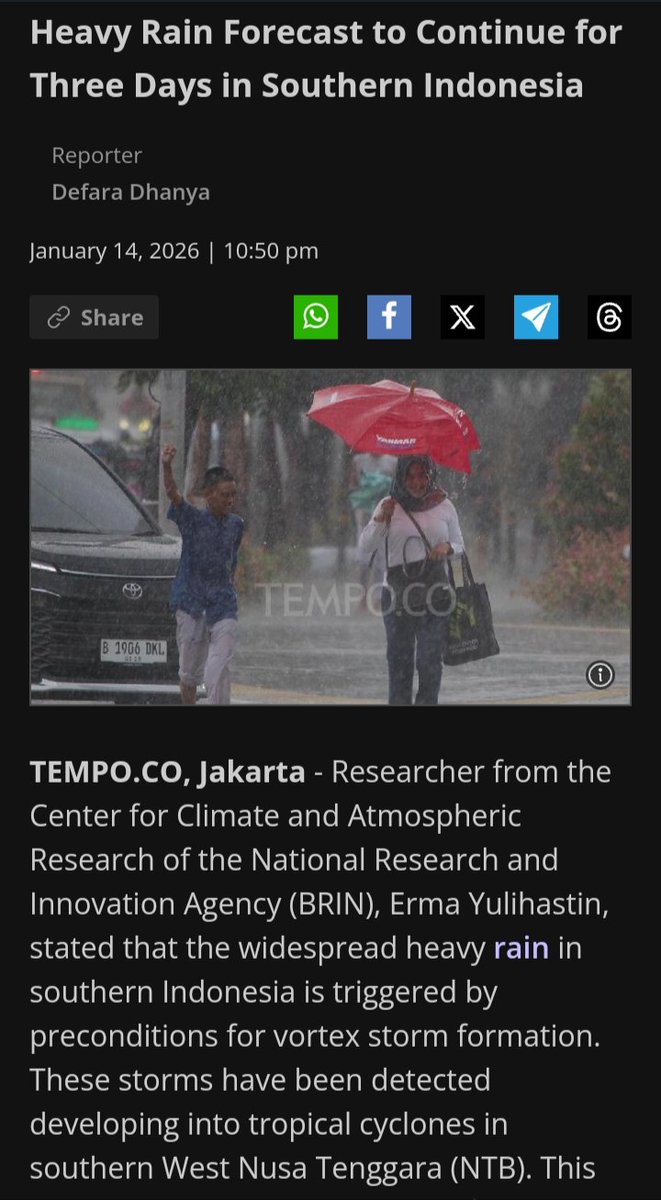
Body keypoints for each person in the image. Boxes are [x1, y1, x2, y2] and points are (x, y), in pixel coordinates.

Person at [358, 455, 464, 705]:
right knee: (400, 664)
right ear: (401, 477)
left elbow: (461, 545)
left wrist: (447, 548)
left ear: (431, 475)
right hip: (397, 597)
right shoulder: (389, 505)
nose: (417, 482)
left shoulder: (444, 504)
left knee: (429, 662)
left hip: (435, 596)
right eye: (410, 476)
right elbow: (365, 547)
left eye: (422, 475)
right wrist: (380, 519)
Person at [162, 444, 243, 705]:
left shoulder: (236, 525)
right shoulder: (193, 519)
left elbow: (233, 560)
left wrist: (233, 586)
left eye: (233, 495)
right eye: (224, 495)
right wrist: (166, 466)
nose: (230, 500)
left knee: (219, 665)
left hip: (223, 603)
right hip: (191, 601)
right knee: (189, 676)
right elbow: (173, 494)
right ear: (208, 495)